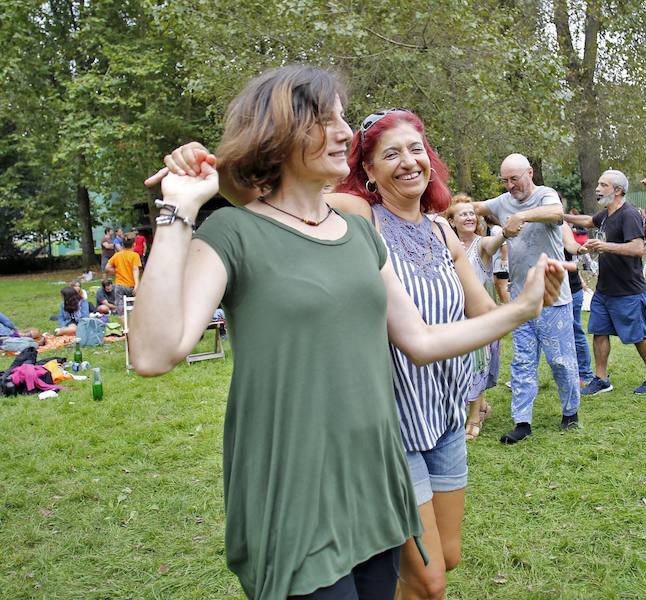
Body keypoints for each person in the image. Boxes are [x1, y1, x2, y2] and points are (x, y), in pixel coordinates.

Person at [139, 65, 563, 599]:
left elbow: (423, 341)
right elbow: (154, 352)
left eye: (343, 118)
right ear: (280, 133)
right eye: (326, 120)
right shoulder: (235, 232)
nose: (344, 132)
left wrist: (522, 309)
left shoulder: (358, 233)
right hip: (296, 491)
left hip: (374, 480)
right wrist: (178, 208)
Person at [473, 153, 581, 444]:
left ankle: (570, 412)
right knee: (522, 362)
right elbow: (475, 208)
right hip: (521, 299)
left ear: (530, 173)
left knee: (560, 361)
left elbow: (557, 214)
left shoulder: (545, 195)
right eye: (505, 180)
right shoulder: (502, 201)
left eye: (514, 179)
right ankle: (522, 421)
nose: (510, 186)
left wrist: (521, 215)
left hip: (553, 297)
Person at [565, 169, 646, 396]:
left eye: (603, 185)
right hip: (605, 289)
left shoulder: (629, 214)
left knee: (638, 336)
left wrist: (605, 246)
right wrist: (561, 217)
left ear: (618, 190)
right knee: (599, 332)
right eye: (598, 184)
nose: (597, 189)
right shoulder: (606, 214)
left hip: (628, 290)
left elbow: (637, 248)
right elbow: (587, 220)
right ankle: (601, 379)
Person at [445, 197, 505, 440]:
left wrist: (505, 233)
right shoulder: (445, 244)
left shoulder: (482, 245)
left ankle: (473, 418)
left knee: (477, 364)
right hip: (453, 315)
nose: (470, 217)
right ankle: (480, 405)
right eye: (463, 214)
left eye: (472, 213)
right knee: (459, 365)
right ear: (451, 221)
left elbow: (495, 243)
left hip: (479, 316)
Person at [560, 223, 593, 385]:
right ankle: (525, 377)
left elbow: (572, 248)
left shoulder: (562, 227)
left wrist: (580, 249)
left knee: (575, 331)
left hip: (570, 290)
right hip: (546, 290)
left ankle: (585, 373)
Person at [105, 237, 142, 315]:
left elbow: (107, 268)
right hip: (131, 285)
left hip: (119, 285)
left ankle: (126, 325)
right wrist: (137, 285)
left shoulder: (117, 255)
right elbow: (135, 270)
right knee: (137, 307)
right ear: (134, 244)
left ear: (123, 244)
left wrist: (117, 271)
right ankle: (135, 324)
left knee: (121, 310)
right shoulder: (135, 255)